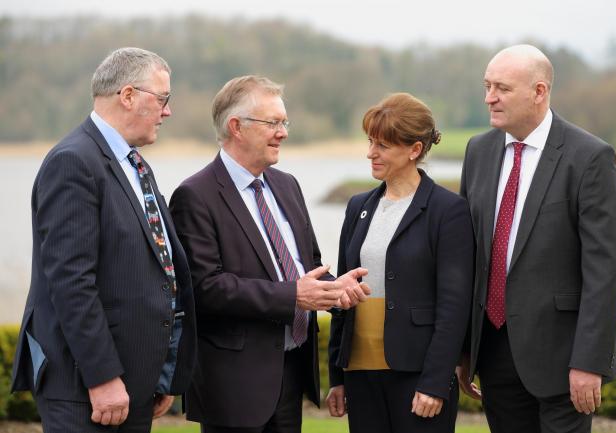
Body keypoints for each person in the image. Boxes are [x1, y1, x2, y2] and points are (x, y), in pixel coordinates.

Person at [11, 47, 197, 433]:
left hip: (134, 384)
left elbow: (154, 270)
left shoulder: (133, 164)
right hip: (88, 391)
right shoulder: (74, 162)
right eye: (163, 99)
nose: (168, 111)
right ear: (128, 96)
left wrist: (158, 374)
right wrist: (103, 377)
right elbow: (71, 282)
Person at [169, 75, 369, 433]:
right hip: (234, 387)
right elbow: (204, 288)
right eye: (273, 123)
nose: (283, 132)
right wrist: (294, 295)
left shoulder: (286, 185)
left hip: (290, 375)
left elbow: (305, 267)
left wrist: (333, 289)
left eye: (284, 122)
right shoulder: (194, 195)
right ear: (236, 127)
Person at [456, 44, 616, 433]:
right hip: (495, 354)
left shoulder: (590, 157)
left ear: (539, 91)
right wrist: (464, 349)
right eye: (486, 86)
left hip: (564, 359)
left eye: (501, 87)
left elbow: (605, 270)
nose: (489, 97)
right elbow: (469, 258)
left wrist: (589, 361)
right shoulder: (478, 151)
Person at [326, 93, 474, 433]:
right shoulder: (357, 206)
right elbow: (343, 292)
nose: (371, 153)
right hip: (360, 375)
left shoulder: (447, 211)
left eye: (383, 145)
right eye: (370, 142)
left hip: (418, 376)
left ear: (414, 150)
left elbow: (454, 306)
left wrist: (436, 382)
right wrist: (337, 375)